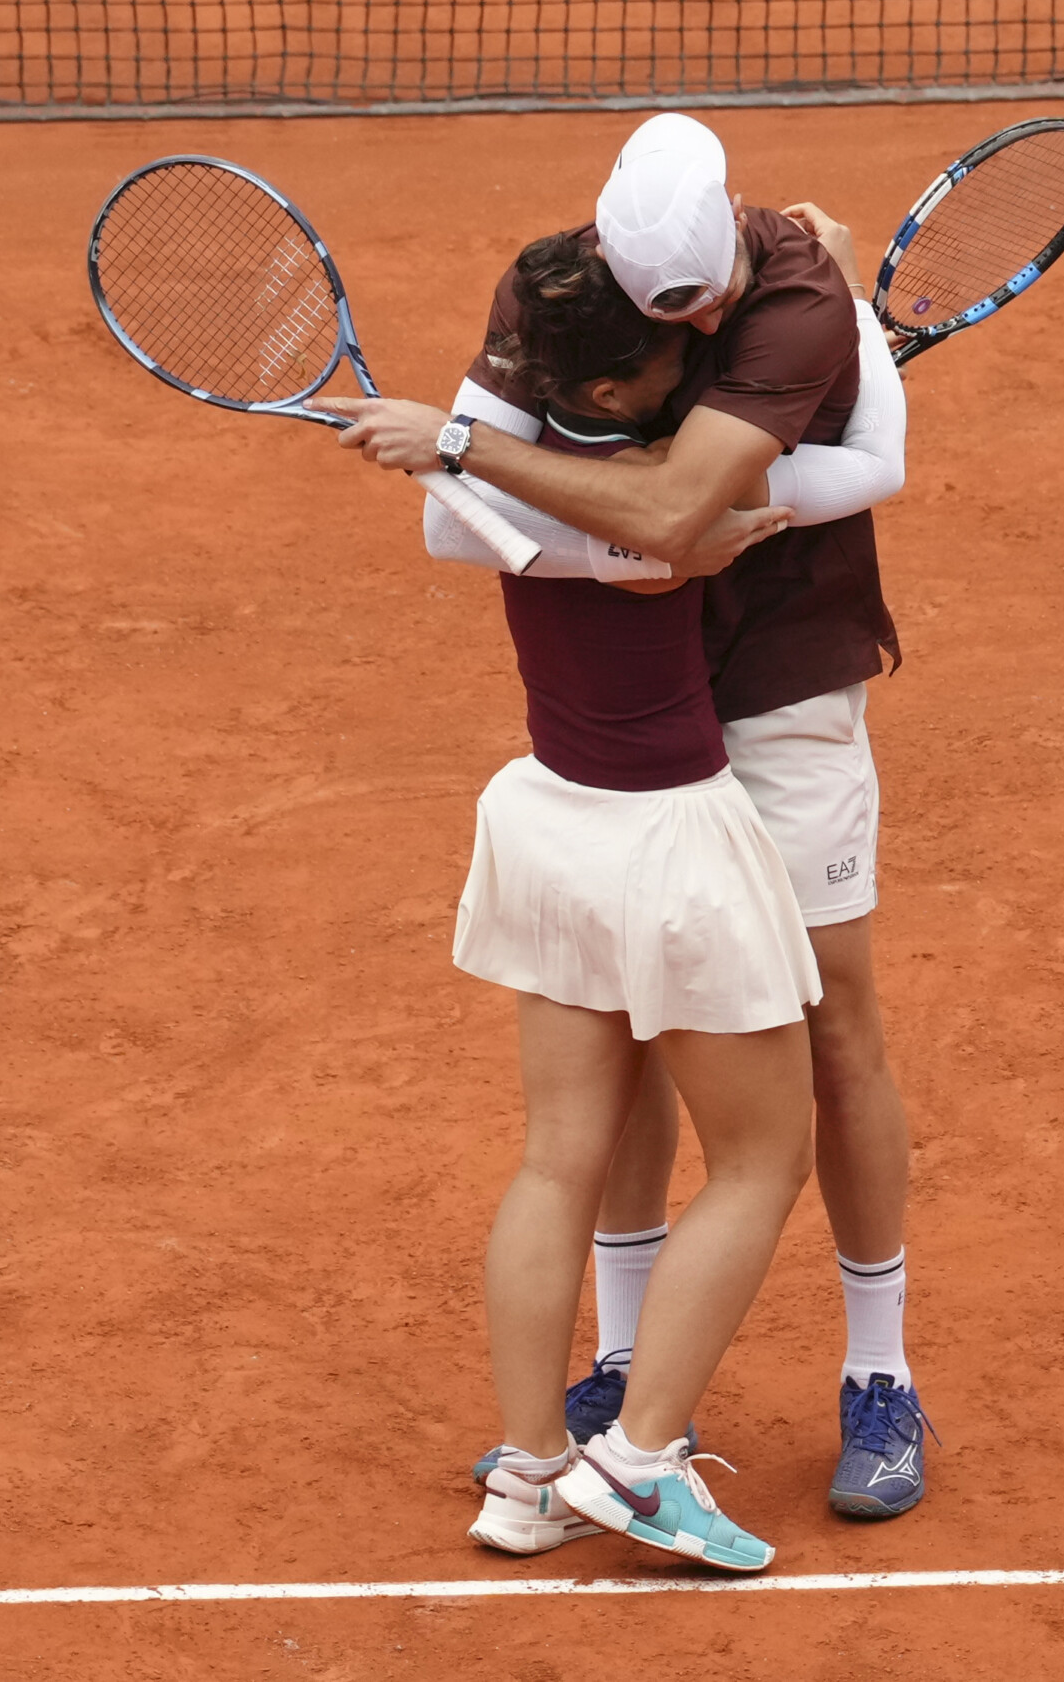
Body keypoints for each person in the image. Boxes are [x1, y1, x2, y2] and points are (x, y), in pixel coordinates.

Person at [327, 112, 935, 1519]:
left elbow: (677, 513)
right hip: (642, 733)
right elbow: (467, 519)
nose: (705, 320)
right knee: (636, 1023)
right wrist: (545, 486)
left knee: (832, 1024)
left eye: (708, 297)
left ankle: (878, 1372)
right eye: (674, 315)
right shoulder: (558, 289)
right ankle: (620, 1375)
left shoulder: (790, 299)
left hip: (779, 685)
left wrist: (514, 468)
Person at [385, 229, 815, 1574]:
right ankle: (636, 1461)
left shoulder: (497, 512)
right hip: (670, 847)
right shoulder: (656, 513)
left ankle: (524, 1479)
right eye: (673, 344)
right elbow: (679, 527)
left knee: (557, 1156)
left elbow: (490, 505)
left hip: (551, 827)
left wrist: (442, 440)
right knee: (762, 1156)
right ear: (622, 392)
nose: (697, 345)